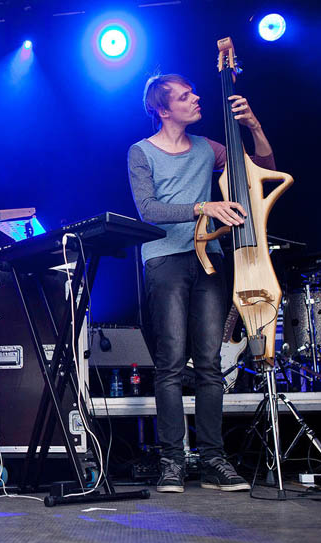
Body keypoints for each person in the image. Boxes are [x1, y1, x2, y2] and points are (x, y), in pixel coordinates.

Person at [127, 74, 276, 493]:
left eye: (193, 93)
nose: (196, 99)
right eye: (185, 96)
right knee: (171, 363)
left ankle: (214, 459)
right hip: (165, 260)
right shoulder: (140, 153)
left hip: (209, 259)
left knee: (210, 365)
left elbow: (261, 171)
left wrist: (255, 128)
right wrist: (203, 205)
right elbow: (148, 209)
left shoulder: (208, 147)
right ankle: (172, 460)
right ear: (163, 109)